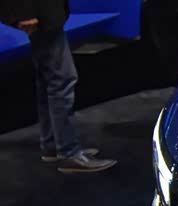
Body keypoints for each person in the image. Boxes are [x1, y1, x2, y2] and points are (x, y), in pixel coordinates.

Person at [0, 0, 117, 173]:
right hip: (38, 13)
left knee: (48, 79)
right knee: (62, 78)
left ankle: (53, 144)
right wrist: (24, 13)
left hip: (43, 13)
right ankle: (69, 153)